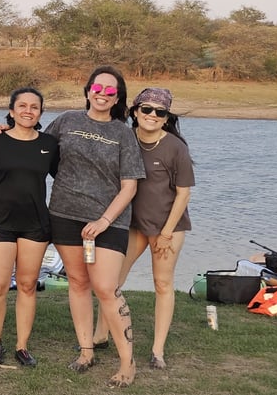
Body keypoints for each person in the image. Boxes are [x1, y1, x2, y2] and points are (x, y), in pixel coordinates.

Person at [43, 65, 146, 389]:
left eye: (110, 91)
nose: (102, 94)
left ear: (118, 97)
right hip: (64, 213)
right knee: (77, 282)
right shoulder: (67, 121)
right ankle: (86, 351)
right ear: (88, 90)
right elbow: (36, 149)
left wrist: (103, 221)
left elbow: (129, 186)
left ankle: (128, 362)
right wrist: (4, 131)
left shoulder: (123, 133)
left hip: (109, 221)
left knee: (105, 287)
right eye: (97, 88)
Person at [94, 87, 193, 370]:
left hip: (168, 228)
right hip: (132, 225)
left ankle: (157, 351)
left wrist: (164, 233)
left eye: (159, 112)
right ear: (135, 112)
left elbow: (183, 195)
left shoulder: (176, 148)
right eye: (146, 109)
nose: (152, 115)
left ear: (165, 118)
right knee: (110, 283)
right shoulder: (124, 139)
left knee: (162, 284)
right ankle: (100, 335)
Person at [0, 87, 58, 367]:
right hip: (0, 221)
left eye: (34, 107)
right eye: (22, 106)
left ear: (40, 113)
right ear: (11, 111)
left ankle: (22, 346)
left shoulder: (50, 144)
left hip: (35, 223)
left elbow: (65, 177)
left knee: (27, 285)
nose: (28, 111)